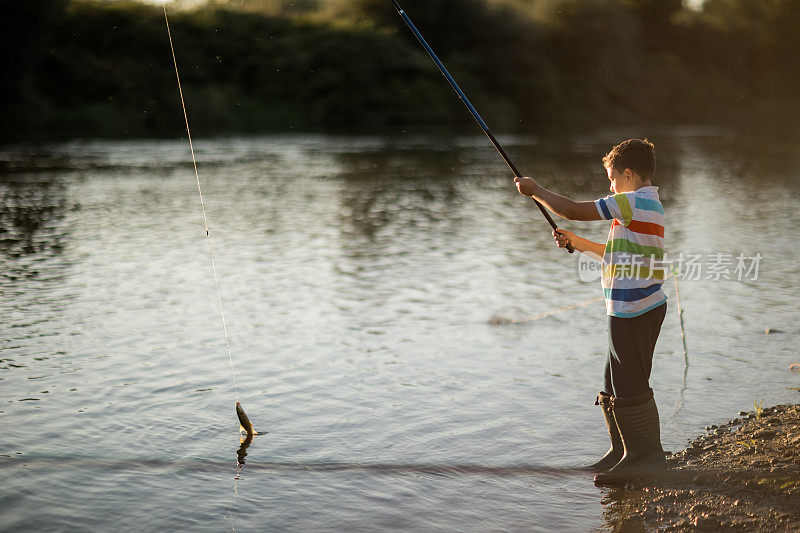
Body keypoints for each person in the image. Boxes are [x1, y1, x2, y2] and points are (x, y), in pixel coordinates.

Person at [514, 138, 667, 485]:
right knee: (613, 382)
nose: (610, 187)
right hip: (629, 309)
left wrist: (535, 190)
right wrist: (576, 242)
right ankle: (621, 452)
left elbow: (568, 208)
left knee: (630, 384)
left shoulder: (631, 202)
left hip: (636, 310)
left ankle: (647, 460)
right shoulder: (643, 206)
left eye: (612, 179)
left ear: (628, 175)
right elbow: (613, 254)